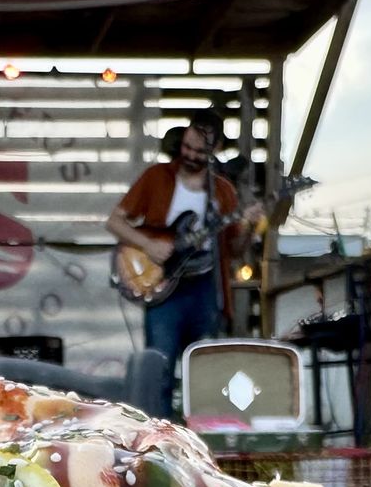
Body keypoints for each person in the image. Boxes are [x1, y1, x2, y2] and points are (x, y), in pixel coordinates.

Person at [106, 111, 260, 366]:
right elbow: (114, 221)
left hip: (205, 289)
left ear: (216, 149)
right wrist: (148, 245)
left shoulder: (222, 191)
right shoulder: (156, 177)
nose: (189, 154)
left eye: (199, 151)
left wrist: (250, 228)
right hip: (165, 287)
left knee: (203, 372)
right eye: (187, 147)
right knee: (159, 366)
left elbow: (234, 250)